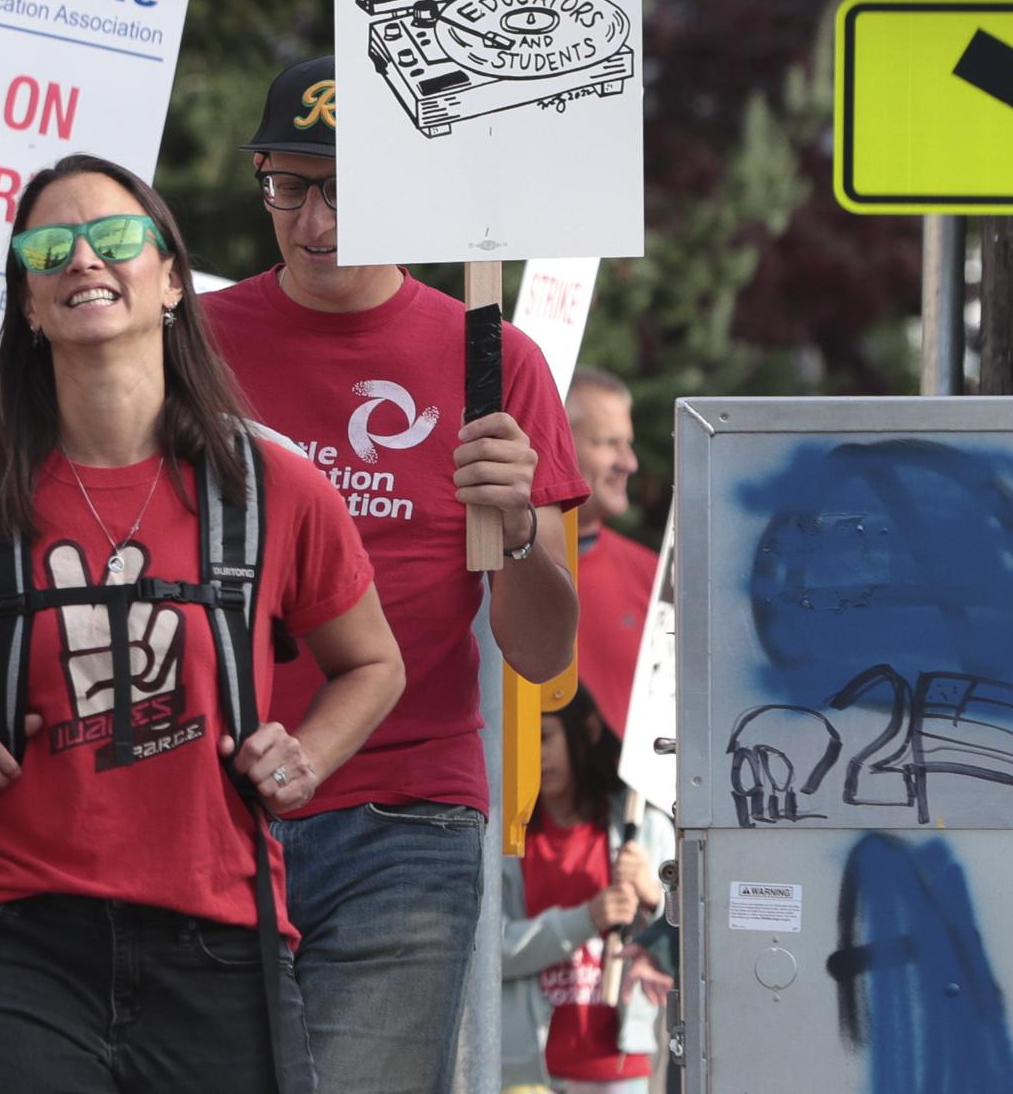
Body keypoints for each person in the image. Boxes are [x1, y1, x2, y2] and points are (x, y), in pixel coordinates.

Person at [0, 153, 406, 1094]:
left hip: (217, 934)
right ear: (26, 301)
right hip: (10, 934)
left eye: (117, 238)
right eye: (49, 247)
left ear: (173, 278)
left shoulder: (271, 488)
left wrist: (309, 756)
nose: (83, 259)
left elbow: (372, 663)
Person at [200, 57, 587, 1090]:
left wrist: (510, 527)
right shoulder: (189, 347)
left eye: (350, 190)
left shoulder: (492, 360)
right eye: (291, 186)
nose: (318, 221)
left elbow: (544, 647)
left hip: (405, 816)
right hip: (212, 800)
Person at [499, 695, 671, 1094]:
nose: (534, 756)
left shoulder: (645, 829)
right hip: (525, 1074)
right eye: (520, 741)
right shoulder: (504, 843)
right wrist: (586, 919)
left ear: (589, 731)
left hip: (619, 1068)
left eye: (543, 737)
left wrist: (655, 898)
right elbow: (489, 953)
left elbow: (695, 947)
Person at [566, 368, 657, 737]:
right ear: (553, 437)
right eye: (608, 442)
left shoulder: (654, 575)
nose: (629, 463)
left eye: (628, 443)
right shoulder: (487, 569)